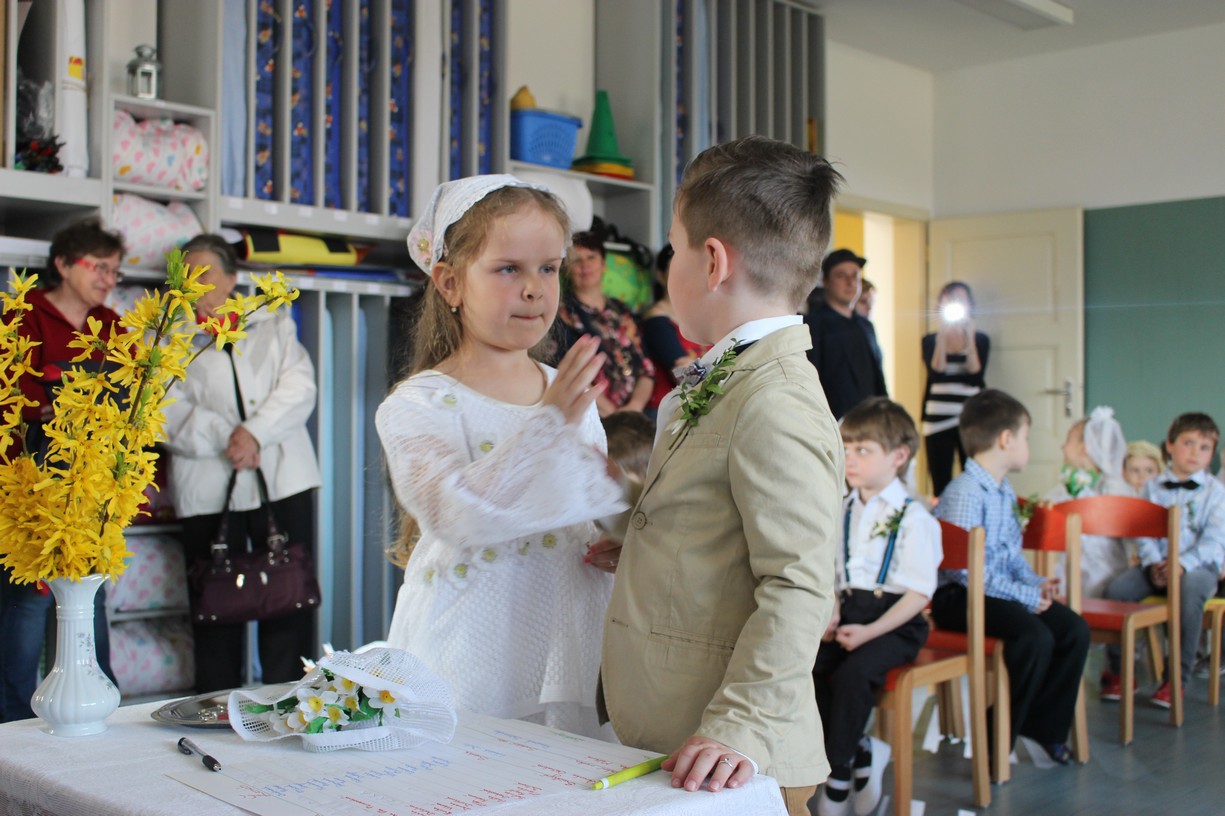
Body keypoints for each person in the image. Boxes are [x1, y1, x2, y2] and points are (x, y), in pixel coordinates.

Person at [601, 136, 844, 816]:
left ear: (712, 262)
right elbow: (706, 518)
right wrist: (629, 524)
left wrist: (738, 724)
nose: (667, 269)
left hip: (735, 756)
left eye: (672, 250)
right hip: (676, 728)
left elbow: (799, 582)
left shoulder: (776, 398)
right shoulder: (734, 375)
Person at [375, 175, 625, 738]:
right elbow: (455, 513)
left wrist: (622, 531)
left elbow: (593, 501)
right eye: (509, 268)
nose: (535, 289)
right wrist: (547, 424)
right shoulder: (418, 404)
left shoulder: (567, 392)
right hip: (469, 656)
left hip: (567, 649)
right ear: (450, 283)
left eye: (549, 268)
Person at [162, 233, 322, 693]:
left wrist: (256, 432)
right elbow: (165, 407)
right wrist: (227, 436)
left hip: (282, 477)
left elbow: (299, 386)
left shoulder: (272, 321)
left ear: (232, 279)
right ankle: (216, 708)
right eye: (186, 275)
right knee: (216, 608)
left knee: (289, 599)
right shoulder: (167, 336)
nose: (195, 283)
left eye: (205, 272)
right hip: (208, 486)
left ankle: (292, 703)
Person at [0, 217, 122, 721]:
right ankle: (12, 717)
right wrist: (54, 404)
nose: (107, 279)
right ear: (64, 264)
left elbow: (130, 396)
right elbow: (13, 391)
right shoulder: (24, 316)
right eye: (99, 267)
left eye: (114, 270)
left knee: (90, 593)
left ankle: (97, 704)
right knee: (29, 599)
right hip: (30, 479)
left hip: (94, 484)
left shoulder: (111, 325)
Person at [931, 389, 1090, 766]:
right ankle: (995, 735)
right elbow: (964, 571)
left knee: (1073, 630)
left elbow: (1010, 555)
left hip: (993, 591)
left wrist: (1034, 584)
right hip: (958, 596)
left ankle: (1042, 729)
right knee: (1034, 637)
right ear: (1006, 439)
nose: (1027, 445)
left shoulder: (1001, 489)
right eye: (1026, 437)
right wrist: (1024, 597)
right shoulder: (966, 491)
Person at [814, 398, 940, 816]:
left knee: (854, 674)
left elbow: (918, 594)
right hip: (852, 612)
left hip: (896, 624)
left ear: (898, 457)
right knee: (811, 664)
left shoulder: (915, 518)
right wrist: (834, 610)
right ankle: (857, 748)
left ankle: (837, 770)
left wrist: (869, 632)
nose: (850, 459)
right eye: (846, 448)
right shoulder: (844, 507)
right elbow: (836, 573)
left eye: (863, 450)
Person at [1102, 412, 1225, 707]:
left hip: (1198, 568)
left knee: (1189, 591)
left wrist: (1181, 564)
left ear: (1212, 454)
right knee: (1116, 591)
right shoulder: (1151, 487)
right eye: (1188, 443)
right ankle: (1120, 672)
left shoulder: (1216, 493)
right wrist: (1153, 563)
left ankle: (1175, 679)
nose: (1195, 453)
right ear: (1170, 445)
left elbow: (1214, 542)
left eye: (1204, 447)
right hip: (1157, 565)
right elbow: (1142, 531)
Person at [556, 231, 655, 417]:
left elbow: (646, 368)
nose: (585, 265)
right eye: (576, 260)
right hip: (594, 416)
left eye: (591, 257)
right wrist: (616, 417)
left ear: (603, 264)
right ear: (566, 269)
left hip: (638, 413)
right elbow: (569, 374)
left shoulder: (621, 310)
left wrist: (635, 408)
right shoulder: (562, 315)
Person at [1043, 407, 1134, 598]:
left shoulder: (1113, 489)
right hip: (1069, 571)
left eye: (1068, 441)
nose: (1062, 446)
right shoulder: (1066, 487)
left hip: (1105, 573)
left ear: (1084, 449)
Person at [922, 281, 989, 496]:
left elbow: (975, 375)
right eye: (950, 299)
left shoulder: (980, 339)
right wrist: (942, 335)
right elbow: (937, 373)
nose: (956, 303)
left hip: (971, 418)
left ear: (970, 304)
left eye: (961, 299)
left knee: (974, 477)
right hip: (937, 419)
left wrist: (969, 337)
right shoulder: (930, 340)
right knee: (940, 481)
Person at [803, 248, 887, 419]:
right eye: (842, 276)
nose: (850, 282)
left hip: (870, 420)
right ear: (825, 281)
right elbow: (810, 379)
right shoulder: (813, 325)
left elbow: (878, 377)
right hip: (832, 422)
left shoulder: (866, 326)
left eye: (855, 275)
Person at [640, 243, 705, 417]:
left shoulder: (700, 315)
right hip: (669, 413)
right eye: (675, 267)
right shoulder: (656, 321)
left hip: (697, 406)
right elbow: (681, 370)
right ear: (661, 276)